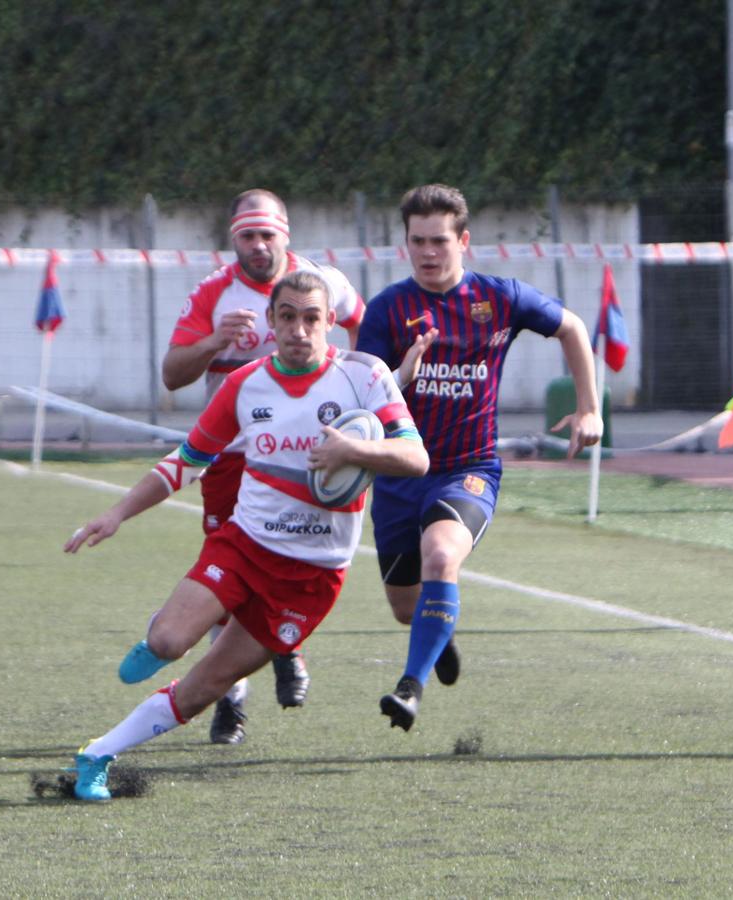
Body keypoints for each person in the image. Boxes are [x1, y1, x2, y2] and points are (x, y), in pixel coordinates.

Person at [64, 270, 428, 800]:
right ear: (271, 322)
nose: (299, 329)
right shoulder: (245, 384)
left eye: (311, 318)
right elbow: (186, 462)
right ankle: (160, 635)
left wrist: (355, 453)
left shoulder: (366, 376)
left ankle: (96, 754)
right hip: (246, 545)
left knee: (204, 688)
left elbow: (415, 458)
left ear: (330, 321)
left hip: (312, 576)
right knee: (168, 640)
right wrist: (118, 513)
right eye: (287, 317)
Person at [356, 183, 602, 732]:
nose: (427, 252)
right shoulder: (388, 310)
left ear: (463, 240)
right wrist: (401, 377)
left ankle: (409, 689)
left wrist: (590, 409)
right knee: (405, 606)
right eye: (417, 241)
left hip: (468, 470)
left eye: (439, 241)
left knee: (442, 557)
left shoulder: (500, 298)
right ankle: (435, 636)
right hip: (400, 472)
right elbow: (360, 397)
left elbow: (572, 327)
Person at [162, 188, 366, 743]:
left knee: (292, 555)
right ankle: (232, 699)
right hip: (231, 459)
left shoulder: (321, 283)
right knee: (228, 573)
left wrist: (356, 391)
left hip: (305, 453)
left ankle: (286, 644)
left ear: (286, 235)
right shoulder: (212, 292)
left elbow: (359, 327)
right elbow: (172, 374)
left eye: (266, 235)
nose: (257, 245)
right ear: (234, 238)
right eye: (246, 236)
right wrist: (212, 342)